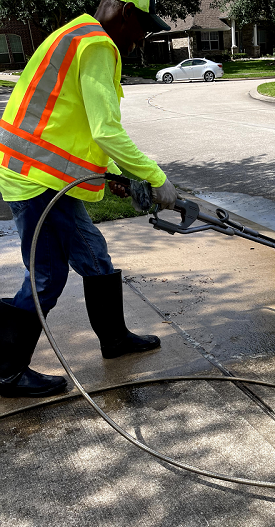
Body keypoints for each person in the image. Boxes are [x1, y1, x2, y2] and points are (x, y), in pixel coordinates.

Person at [0, 0, 177, 398]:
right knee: (46, 277)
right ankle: (6, 370)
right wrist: (156, 177)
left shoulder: (76, 33)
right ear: (126, 12)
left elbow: (69, 127)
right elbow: (105, 130)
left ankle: (114, 339)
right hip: (36, 181)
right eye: (143, 27)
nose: (142, 38)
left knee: (94, 256)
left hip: (42, 173)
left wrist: (111, 173)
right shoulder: (97, 44)